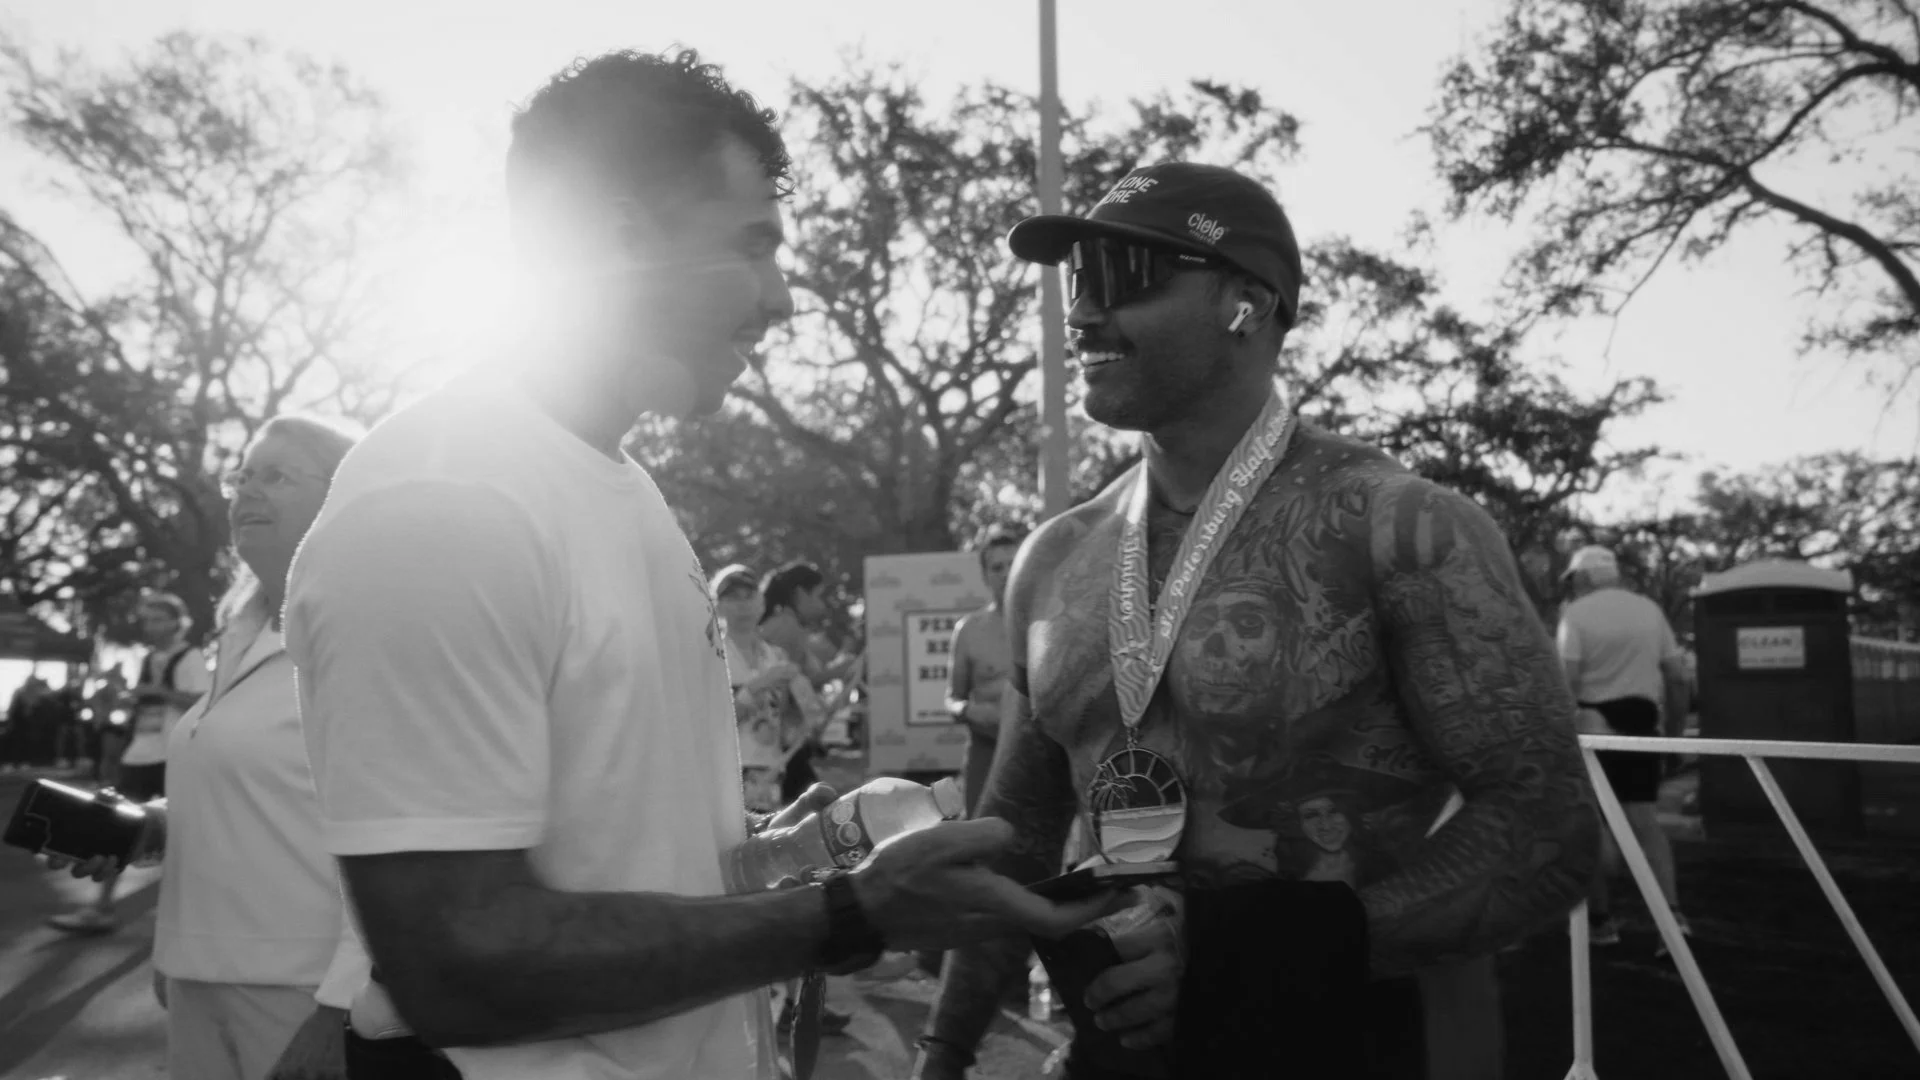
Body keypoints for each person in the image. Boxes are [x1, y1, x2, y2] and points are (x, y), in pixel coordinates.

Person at [283, 49, 1113, 1080]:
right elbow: (458, 964)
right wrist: (849, 912)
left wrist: (773, 851)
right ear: (620, 236)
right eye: (752, 244)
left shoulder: (622, 487)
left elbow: (605, 848)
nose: (780, 298)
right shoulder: (442, 502)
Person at [914, 162, 1600, 1080]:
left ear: (1246, 303)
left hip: (1339, 1046)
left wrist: (1249, 957)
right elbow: (1022, 835)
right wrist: (943, 1054)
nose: (1078, 316)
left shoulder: (1396, 527)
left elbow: (1550, 831)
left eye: (1121, 278)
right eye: (1076, 281)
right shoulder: (1054, 559)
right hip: (1111, 1055)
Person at [45, 416, 364, 1080]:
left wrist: (343, 1011)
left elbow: (406, 832)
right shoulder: (236, 634)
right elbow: (256, 799)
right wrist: (148, 831)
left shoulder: (367, 632)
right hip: (197, 974)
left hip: (303, 993)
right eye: (241, 475)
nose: (247, 489)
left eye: (276, 475)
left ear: (344, 497)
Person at [1557, 544, 1692, 950]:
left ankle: (1600, 922)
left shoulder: (1575, 615)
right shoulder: (1649, 610)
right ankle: (1672, 919)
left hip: (1592, 730)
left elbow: (1567, 685)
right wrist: (1672, 734)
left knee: (1591, 825)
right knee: (1644, 822)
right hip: (1640, 725)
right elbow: (1677, 679)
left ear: (1582, 578)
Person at [49, 591, 209, 934]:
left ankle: (188, 916)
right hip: (139, 752)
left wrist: (158, 692)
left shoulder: (190, 656)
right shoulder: (150, 657)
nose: (150, 626)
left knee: (181, 835)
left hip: (172, 754)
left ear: (177, 622)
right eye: (147, 619)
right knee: (116, 829)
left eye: (158, 619)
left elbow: (202, 702)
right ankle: (101, 907)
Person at [713, 563, 806, 815]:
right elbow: (714, 722)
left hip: (771, 772)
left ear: (762, 602)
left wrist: (807, 716)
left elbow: (788, 722)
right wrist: (757, 685)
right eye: (732, 597)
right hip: (726, 773)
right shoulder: (713, 657)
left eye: (749, 596)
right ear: (717, 606)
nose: (743, 605)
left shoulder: (776, 656)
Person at [946, 525, 1024, 817]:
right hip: (985, 749)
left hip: (1034, 752)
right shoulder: (968, 631)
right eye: (997, 567)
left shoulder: (1045, 627)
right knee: (978, 842)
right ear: (985, 576)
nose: (1006, 573)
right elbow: (952, 699)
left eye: (1013, 564)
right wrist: (967, 710)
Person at [758, 561, 837, 804]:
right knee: (811, 807)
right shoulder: (786, 628)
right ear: (801, 593)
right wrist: (838, 672)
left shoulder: (785, 624)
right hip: (780, 739)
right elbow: (786, 682)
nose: (821, 605)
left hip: (782, 737)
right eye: (818, 596)